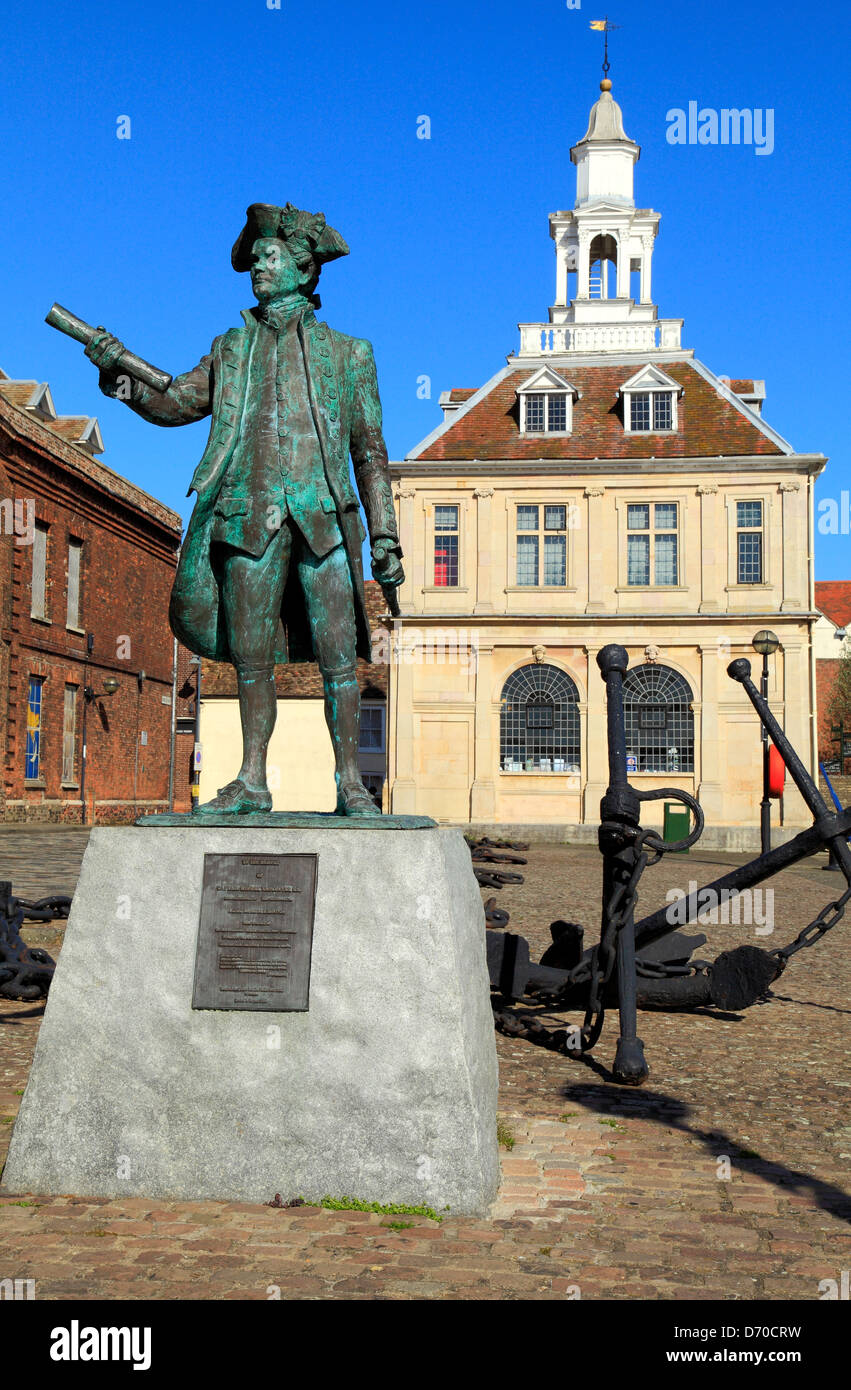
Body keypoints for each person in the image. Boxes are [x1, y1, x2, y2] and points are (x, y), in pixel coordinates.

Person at [86, 202, 403, 816]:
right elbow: (174, 402)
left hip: (326, 517)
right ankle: (253, 780)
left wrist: (385, 535)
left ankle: (348, 784)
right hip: (244, 515)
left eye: (269, 256)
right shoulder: (231, 349)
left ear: (305, 268)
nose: (257, 265)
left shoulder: (350, 354)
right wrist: (117, 373)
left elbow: (370, 451)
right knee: (251, 659)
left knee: (340, 657)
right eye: (254, 259)